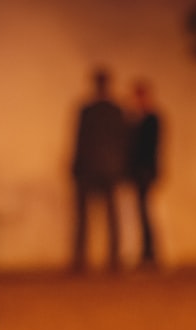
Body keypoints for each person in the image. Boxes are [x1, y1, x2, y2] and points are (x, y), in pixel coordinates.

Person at [71, 67, 126, 272]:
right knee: (111, 217)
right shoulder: (116, 111)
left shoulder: (87, 110)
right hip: (108, 169)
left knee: (84, 217)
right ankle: (113, 259)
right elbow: (123, 142)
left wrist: (75, 168)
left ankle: (81, 259)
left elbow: (80, 141)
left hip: (88, 168)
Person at [125, 79, 161, 266]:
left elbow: (150, 149)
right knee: (141, 213)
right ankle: (146, 252)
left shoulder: (151, 119)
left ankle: (150, 253)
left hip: (145, 172)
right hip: (139, 173)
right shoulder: (137, 118)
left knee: (147, 213)